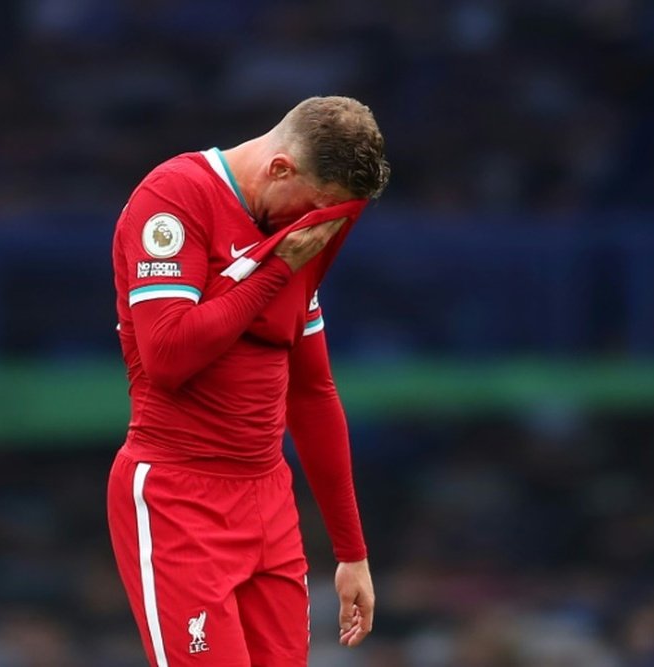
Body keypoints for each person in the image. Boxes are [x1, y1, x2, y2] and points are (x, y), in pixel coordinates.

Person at [107, 96, 390, 666]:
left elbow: (312, 393)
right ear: (281, 169)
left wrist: (351, 551)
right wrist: (277, 270)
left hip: (269, 503)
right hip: (178, 494)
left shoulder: (296, 232)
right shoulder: (175, 197)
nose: (314, 231)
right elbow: (167, 355)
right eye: (313, 209)